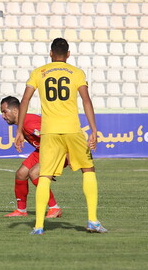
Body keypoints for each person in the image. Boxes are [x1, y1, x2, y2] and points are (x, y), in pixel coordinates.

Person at [15, 38, 106, 234]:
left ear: (50, 53)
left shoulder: (39, 72)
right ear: (68, 54)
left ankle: (38, 226)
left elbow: (24, 100)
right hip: (73, 129)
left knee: (44, 175)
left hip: (49, 131)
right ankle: (92, 221)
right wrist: (93, 129)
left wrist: (19, 130)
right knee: (88, 170)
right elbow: (86, 101)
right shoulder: (76, 73)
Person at [0, 95, 62, 218]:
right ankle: (21, 210)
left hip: (56, 150)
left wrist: (54, 165)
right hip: (43, 150)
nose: (3, 116)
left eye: (4, 112)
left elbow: (53, 138)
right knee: (21, 174)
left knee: (34, 173)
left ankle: (54, 208)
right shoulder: (23, 124)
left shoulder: (29, 123)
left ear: (15, 111)